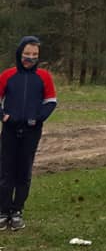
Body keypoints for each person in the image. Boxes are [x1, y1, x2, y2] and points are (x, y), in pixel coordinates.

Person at [0, 36, 58, 231]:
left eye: (34, 55)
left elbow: (51, 101)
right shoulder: (8, 75)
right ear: (20, 53)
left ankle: (17, 211)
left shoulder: (44, 76)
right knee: (6, 170)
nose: (30, 58)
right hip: (9, 129)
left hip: (32, 131)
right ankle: (3, 210)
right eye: (27, 54)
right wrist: (4, 117)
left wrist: (38, 118)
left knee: (24, 172)